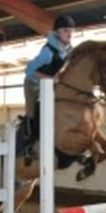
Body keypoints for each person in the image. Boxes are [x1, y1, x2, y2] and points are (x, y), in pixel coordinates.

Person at [22, 14, 76, 157]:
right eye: (65, 30)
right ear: (57, 33)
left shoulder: (70, 51)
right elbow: (29, 70)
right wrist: (50, 78)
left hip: (52, 84)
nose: (69, 34)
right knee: (33, 113)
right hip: (33, 84)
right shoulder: (47, 52)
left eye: (71, 30)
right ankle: (28, 144)